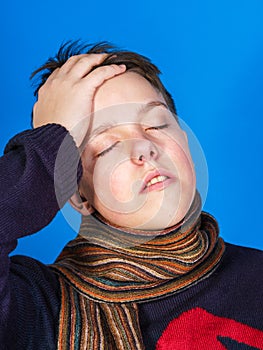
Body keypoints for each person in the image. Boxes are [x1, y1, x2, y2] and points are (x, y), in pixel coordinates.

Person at [0, 41, 263, 350]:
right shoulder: (39, 310)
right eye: (108, 146)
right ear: (76, 196)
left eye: (157, 124)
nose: (144, 147)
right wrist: (54, 139)